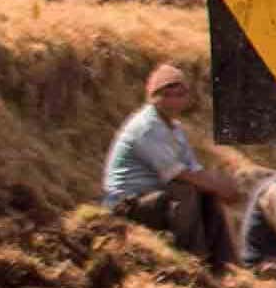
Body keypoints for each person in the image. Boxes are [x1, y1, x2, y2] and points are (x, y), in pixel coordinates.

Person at [101, 64, 238, 271]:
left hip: (154, 197)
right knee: (185, 191)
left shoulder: (175, 129)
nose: (174, 100)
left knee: (207, 195)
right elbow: (177, 173)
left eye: (180, 94)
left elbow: (194, 168)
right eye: (167, 94)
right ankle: (191, 260)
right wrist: (218, 186)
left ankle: (224, 265)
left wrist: (219, 186)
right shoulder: (147, 127)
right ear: (154, 96)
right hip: (127, 204)